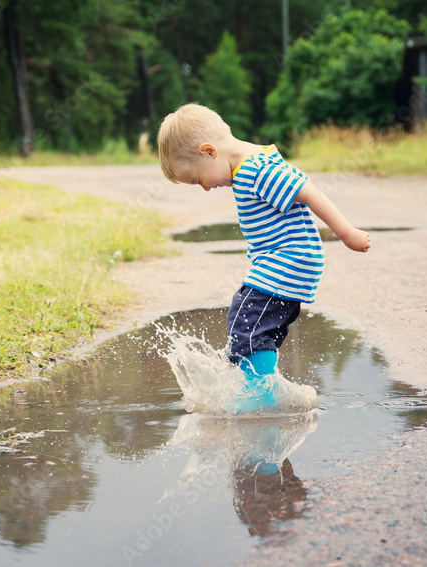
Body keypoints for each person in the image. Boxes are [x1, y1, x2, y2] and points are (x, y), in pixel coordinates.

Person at [157, 103, 370, 410]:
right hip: (282, 261)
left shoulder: (254, 169)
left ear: (208, 152)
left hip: (288, 260)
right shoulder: (250, 164)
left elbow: (308, 191)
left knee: (247, 323)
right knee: (249, 324)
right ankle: (262, 385)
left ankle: (260, 396)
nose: (205, 188)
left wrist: (346, 233)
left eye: (196, 179)